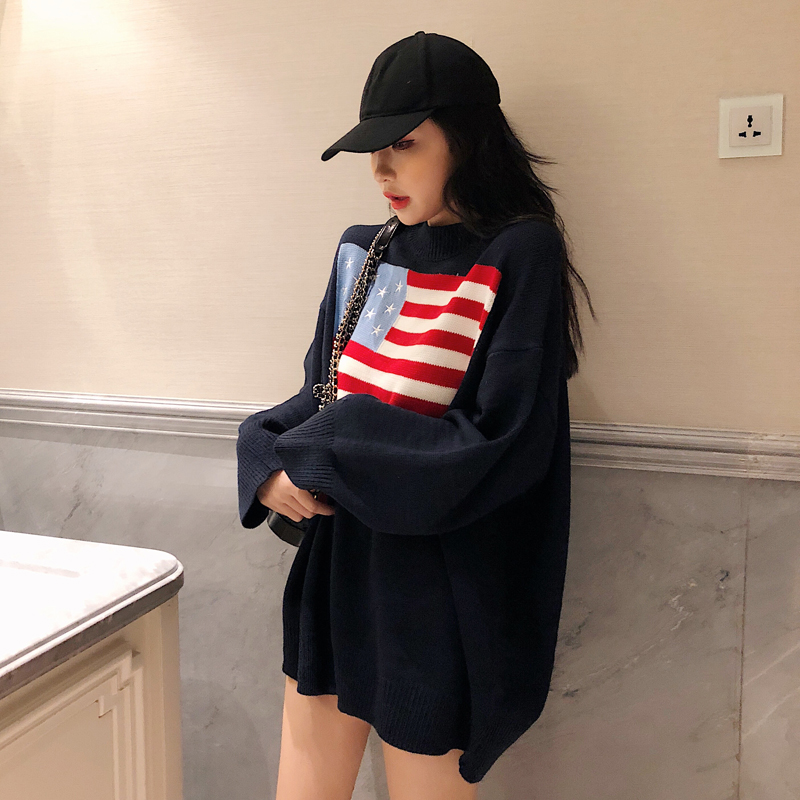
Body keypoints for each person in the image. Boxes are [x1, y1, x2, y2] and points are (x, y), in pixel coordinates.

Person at [236, 30, 596, 800]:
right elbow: (319, 397)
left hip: (433, 594)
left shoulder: (517, 253)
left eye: (405, 143)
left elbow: (498, 442)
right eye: (374, 148)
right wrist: (263, 458)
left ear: (467, 139)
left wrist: (326, 446)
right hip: (334, 572)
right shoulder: (363, 252)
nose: (382, 169)